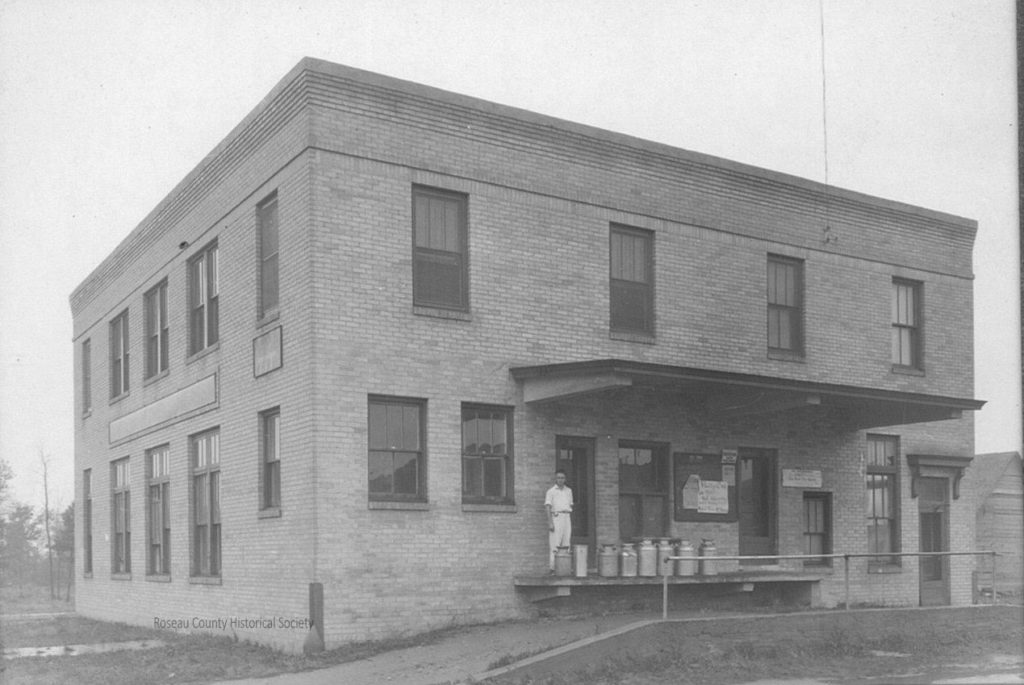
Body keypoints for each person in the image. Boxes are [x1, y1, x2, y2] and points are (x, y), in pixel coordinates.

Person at [544, 469, 573, 572]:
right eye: (559, 478)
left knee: (566, 543)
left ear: (565, 479)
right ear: (555, 479)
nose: (560, 480)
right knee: (555, 543)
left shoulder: (569, 491)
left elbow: (569, 505)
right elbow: (548, 507)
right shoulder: (551, 491)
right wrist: (550, 522)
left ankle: (564, 568)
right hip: (556, 517)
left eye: (562, 478)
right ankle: (553, 568)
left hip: (566, 517)